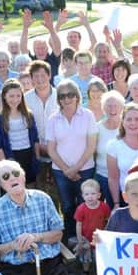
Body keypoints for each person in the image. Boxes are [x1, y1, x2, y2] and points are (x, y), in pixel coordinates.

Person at [46, 80, 99, 240]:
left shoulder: (88, 115)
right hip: (61, 172)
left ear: (77, 96)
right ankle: (70, 236)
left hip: (85, 168)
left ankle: (87, 237)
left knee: (86, 205)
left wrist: (76, 168)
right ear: (58, 99)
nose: (66, 99)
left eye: (70, 95)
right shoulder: (53, 119)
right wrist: (67, 170)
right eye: (62, 96)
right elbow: (51, 149)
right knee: (67, 206)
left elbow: (91, 146)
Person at [0, 79, 40, 184]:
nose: (15, 99)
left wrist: (37, 158)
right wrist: (5, 165)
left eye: (18, 96)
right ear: (4, 96)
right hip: (11, 156)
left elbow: (35, 139)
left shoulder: (28, 115)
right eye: (11, 96)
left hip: (29, 155)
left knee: (30, 185)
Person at [107, 102, 138, 208]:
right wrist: (116, 203)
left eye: (137, 119)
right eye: (129, 119)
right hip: (126, 198)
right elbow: (113, 177)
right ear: (122, 121)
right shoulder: (113, 145)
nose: (133, 123)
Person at [74, 178, 111, 275]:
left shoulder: (104, 207)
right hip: (85, 237)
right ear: (82, 196)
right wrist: (79, 239)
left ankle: (101, 273)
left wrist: (106, 234)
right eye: (86, 194)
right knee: (86, 256)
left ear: (99, 195)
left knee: (100, 256)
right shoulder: (81, 208)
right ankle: (86, 272)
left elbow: (108, 220)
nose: (90, 197)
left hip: (99, 237)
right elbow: (78, 224)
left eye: (93, 193)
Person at [95, 91, 123, 209]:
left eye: (116, 105)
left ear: (122, 107)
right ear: (103, 108)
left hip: (124, 177)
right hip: (103, 176)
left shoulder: (128, 126)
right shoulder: (97, 128)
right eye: (109, 105)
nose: (112, 109)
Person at [20, 9, 62, 83]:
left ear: (47, 49)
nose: (40, 51)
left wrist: (51, 29)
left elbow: (58, 46)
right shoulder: (31, 60)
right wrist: (25, 28)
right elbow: (23, 48)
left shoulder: (53, 59)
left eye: (43, 48)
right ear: (34, 50)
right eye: (37, 49)